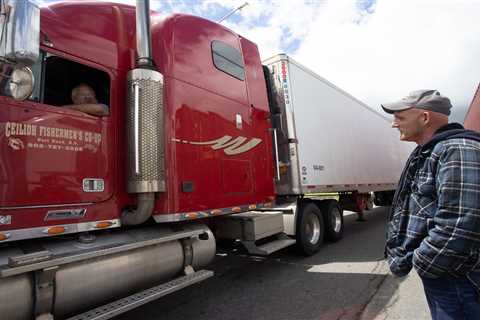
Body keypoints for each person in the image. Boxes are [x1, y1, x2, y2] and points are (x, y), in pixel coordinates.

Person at [382, 89, 480, 320]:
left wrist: (423, 262)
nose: (393, 124)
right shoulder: (433, 150)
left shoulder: (457, 150)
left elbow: (460, 223)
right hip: (447, 275)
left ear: (424, 118)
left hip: (456, 279)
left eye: (400, 117)